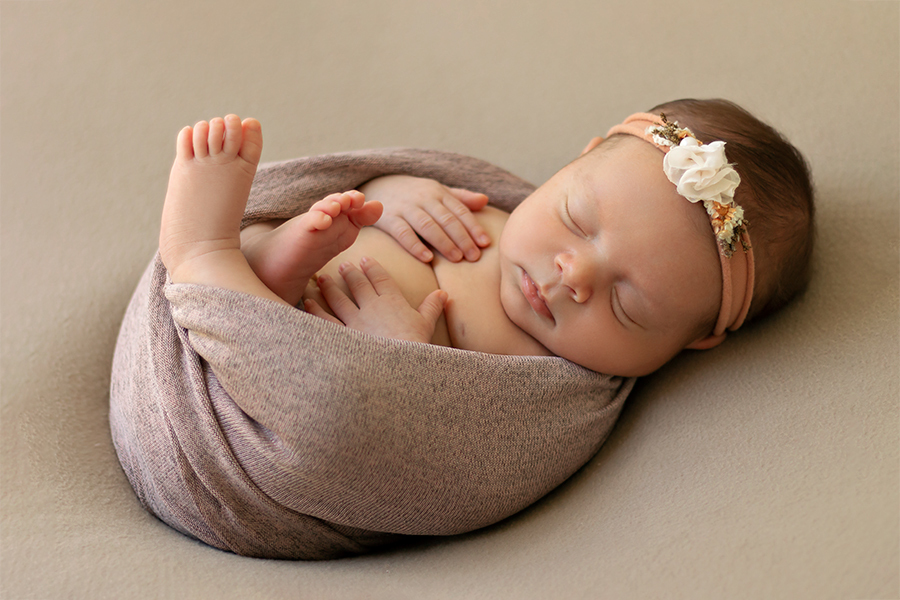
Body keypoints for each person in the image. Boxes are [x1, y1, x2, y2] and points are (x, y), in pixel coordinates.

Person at [159, 98, 814, 378]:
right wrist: (392, 193)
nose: (574, 274)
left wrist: (403, 365)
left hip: (306, 368)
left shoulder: (549, 384)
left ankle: (199, 253)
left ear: (691, 342)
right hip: (298, 286)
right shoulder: (486, 204)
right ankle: (266, 266)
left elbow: (445, 459)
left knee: (317, 381)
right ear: (575, 162)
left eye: (628, 305)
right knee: (320, 228)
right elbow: (386, 185)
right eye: (577, 220)